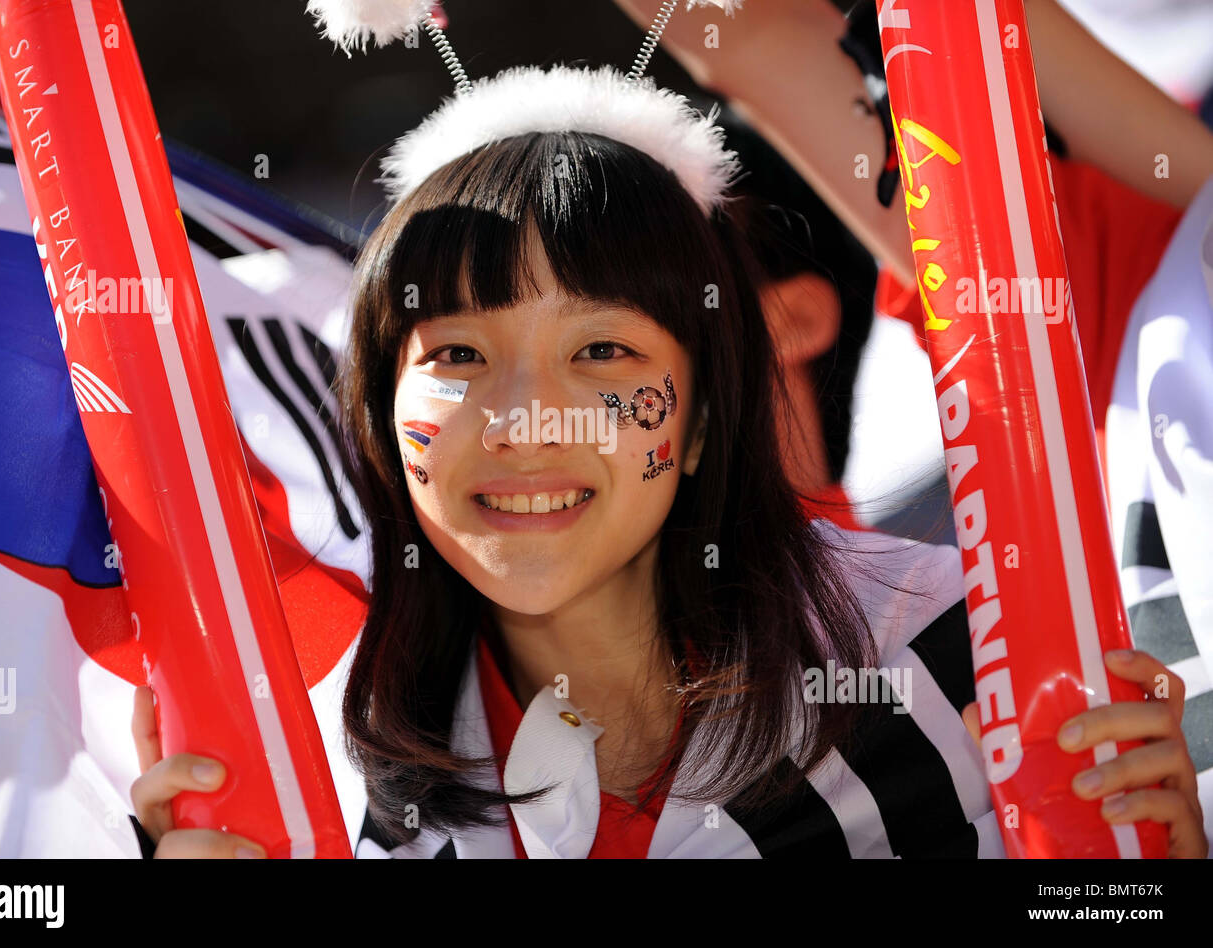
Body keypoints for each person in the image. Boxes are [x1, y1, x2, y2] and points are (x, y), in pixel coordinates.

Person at [128, 52, 1206, 855]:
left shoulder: (970, 666)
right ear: (375, 403)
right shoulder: (318, 759)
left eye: (600, 351)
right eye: (457, 351)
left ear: (701, 414)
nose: (524, 420)